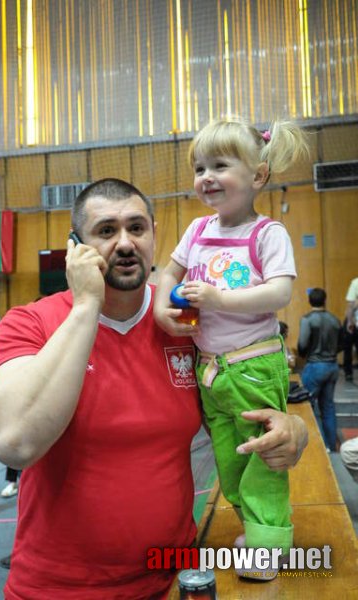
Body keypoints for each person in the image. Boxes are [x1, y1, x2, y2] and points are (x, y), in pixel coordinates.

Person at [0, 178, 308, 599]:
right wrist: (86, 306)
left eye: (136, 228)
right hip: (59, 590)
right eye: (105, 231)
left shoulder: (186, 322)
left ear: (154, 234)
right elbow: (13, 444)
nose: (124, 243)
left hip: (174, 580)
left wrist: (290, 430)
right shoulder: (31, 323)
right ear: (75, 246)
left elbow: (237, 411)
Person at [154, 118, 309, 579]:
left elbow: (280, 293)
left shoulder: (266, 234)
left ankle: (268, 541)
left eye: (219, 165)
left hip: (252, 366)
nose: (206, 177)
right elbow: (168, 272)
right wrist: (164, 305)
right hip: (211, 372)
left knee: (263, 454)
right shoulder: (198, 229)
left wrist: (220, 299)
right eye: (200, 167)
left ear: (257, 176)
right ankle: (258, 530)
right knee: (229, 459)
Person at [297, 288, 343, 452]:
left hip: (315, 366)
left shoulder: (307, 319)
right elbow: (342, 344)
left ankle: (319, 447)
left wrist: (305, 355)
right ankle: (331, 445)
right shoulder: (335, 319)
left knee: (308, 406)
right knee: (328, 407)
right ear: (325, 300)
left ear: (310, 301)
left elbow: (302, 345)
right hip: (332, 366)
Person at [343, 277, 358, 382]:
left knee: (347, 347)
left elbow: (351, 305)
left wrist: (349, 322)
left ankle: (348, 373)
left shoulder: (356, 282)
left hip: (354, 320)